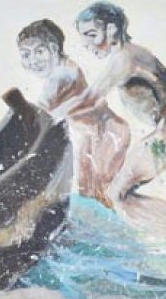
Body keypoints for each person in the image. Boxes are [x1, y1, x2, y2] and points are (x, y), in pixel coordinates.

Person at [53, 1, 166, 252]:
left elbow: (89, 99)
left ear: (111, 29)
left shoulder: (124, 58)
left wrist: (48, 116)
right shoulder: (136, 53)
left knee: (119, 194)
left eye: (91, 35)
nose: (87, 44)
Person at [17, 18, 130, 208]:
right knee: (88, 194)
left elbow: (41, 109)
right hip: (93, 136)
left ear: (54, 49)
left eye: (39, 52)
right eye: (25, 55)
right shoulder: (63, 69)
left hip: (109, 134)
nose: (33, 60)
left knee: (101, 193)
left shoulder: (62, 74)